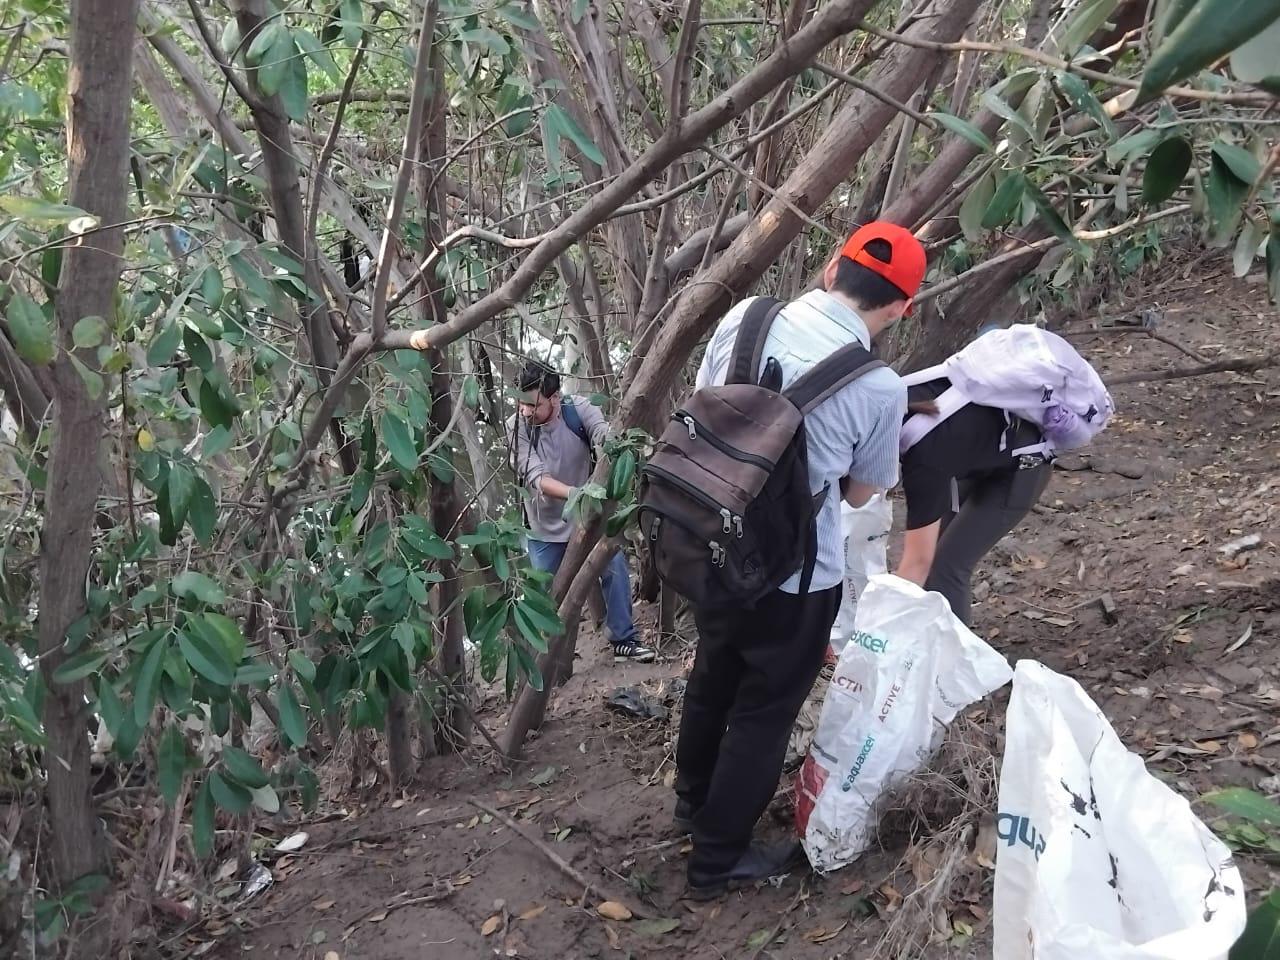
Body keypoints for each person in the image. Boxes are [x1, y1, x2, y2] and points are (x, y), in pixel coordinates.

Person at [673, 222, 924, 897]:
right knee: (762, 712)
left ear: (828, 271)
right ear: (901, 307)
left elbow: (705, 405)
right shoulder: (878, 386)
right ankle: (716, 860)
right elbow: (866, 490)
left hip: (714, 540)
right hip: (798, 575)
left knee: (714, 676)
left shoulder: (745, 318)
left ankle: (690, 805)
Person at [508, 360, 655, 662]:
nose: (525, 411)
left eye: (532, 405)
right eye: (521, 403)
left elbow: (604, 434)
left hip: (586, 518)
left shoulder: (579, 410)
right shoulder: (516, 428)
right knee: (547, 597)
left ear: (554, 398)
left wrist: (616, 447)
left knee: (614, 570)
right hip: (543, 527)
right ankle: (550, 662)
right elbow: (536, 477)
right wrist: (577, 495)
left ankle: (623, 640)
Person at [894, 378, 1053, 626]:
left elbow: (917, 564)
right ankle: (926, 641)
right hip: (978, 455)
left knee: (945, 566)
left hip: (1023, 468)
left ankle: (953, 661)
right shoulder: (901, 393)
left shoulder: (927, 458)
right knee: (932, 550)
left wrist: (882, 635)